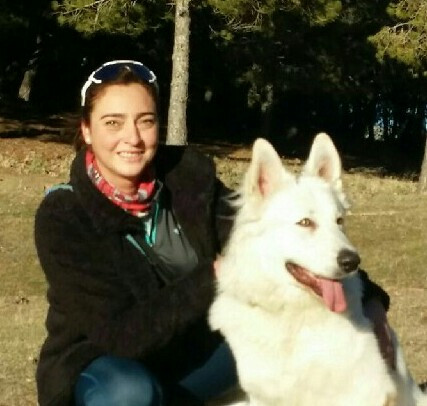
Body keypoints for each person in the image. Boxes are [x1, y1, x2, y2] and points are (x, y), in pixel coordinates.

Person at [34, 59, 392, 406]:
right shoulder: (64, 215)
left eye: (146, 121)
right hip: (105, 366)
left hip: (188, 353)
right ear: (87, 130)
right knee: (130, 393)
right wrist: (213, 275)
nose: (133, 138)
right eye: (113, 122)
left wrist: (370, 302)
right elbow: (119, 336)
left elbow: (269, 236)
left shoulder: (188, 179)